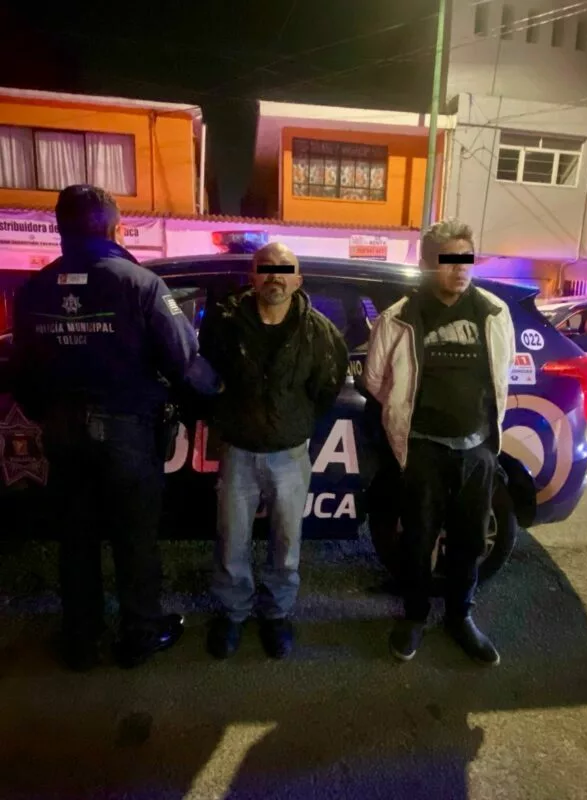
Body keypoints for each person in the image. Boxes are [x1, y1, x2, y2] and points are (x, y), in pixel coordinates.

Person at [11, 184, 221, 671]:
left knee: (76, 539)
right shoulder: (141, 284)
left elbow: (22, 371)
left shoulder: (34, 290)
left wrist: (48, 414)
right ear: (116, 228)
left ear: (59, 228)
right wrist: (217, 392)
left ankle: (81, 642)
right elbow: (184, 361)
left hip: (62, 433)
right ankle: (140, 635)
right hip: (126, 435)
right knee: (134, 538)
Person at [364, 219, 515, 666]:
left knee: (469, 542)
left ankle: (460, 617)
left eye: (466, 259)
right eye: (449, 260)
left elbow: (502, 372)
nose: (460, 268)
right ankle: (414, 616)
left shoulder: (494, 313)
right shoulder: (399, 317)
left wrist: (482, 438)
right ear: (429, 264)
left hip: (477, 451)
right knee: (417, 539)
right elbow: (375, 380)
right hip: (422, 449)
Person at [200, 242, 348, 660]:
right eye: (266, 268)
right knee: (231, 541)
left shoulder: (319, 332)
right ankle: (233, 613)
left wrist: (293, 424)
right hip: (238, 452)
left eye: (285, 270)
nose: (275, 276)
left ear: (298, 280)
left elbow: (327, 388)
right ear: (253, 276)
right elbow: (206, 376)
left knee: (286, 542)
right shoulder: (226, 325)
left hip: (289, 454)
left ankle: (276, 614)